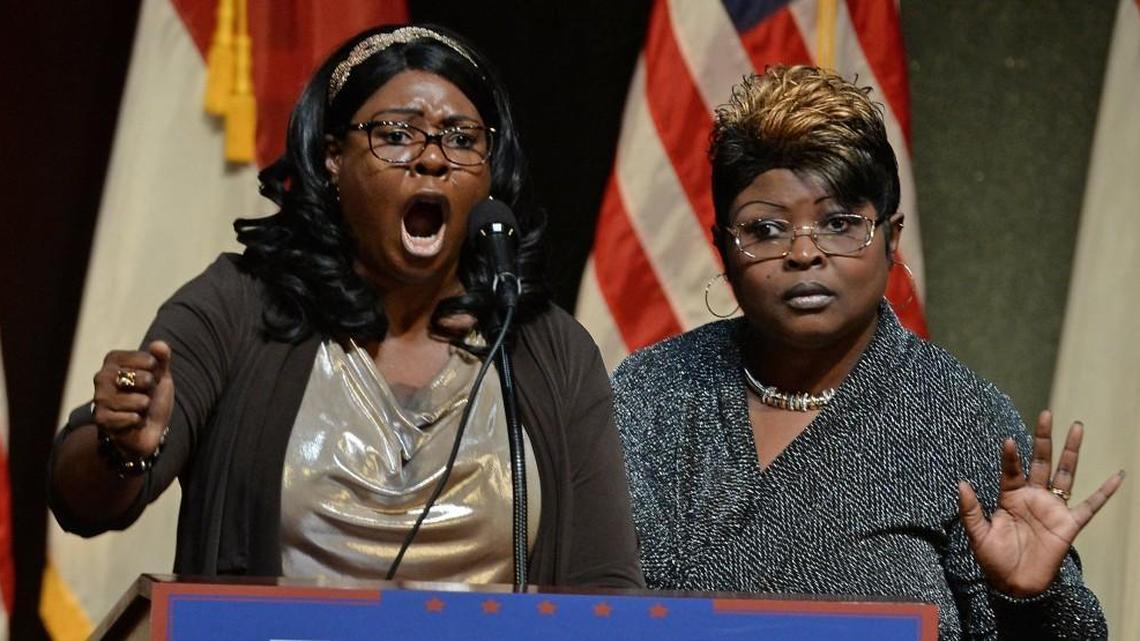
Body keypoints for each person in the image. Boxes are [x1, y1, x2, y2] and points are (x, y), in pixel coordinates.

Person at [49, 24, 643, 589]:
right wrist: (119, 447)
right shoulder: (240, 306)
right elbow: (81, 502)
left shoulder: (547, 348)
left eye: (463, 139)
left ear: (489, 174)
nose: (432, 157)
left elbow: (606, 585)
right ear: (334, 157)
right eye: (396, 134)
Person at [613, 64, 1123, 639]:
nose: (804, 253)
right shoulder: (647, 393)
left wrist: (1029, 598)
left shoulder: (962, 419)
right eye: (766, 230)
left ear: (891, 238)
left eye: (839, 223)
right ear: (723, 250)